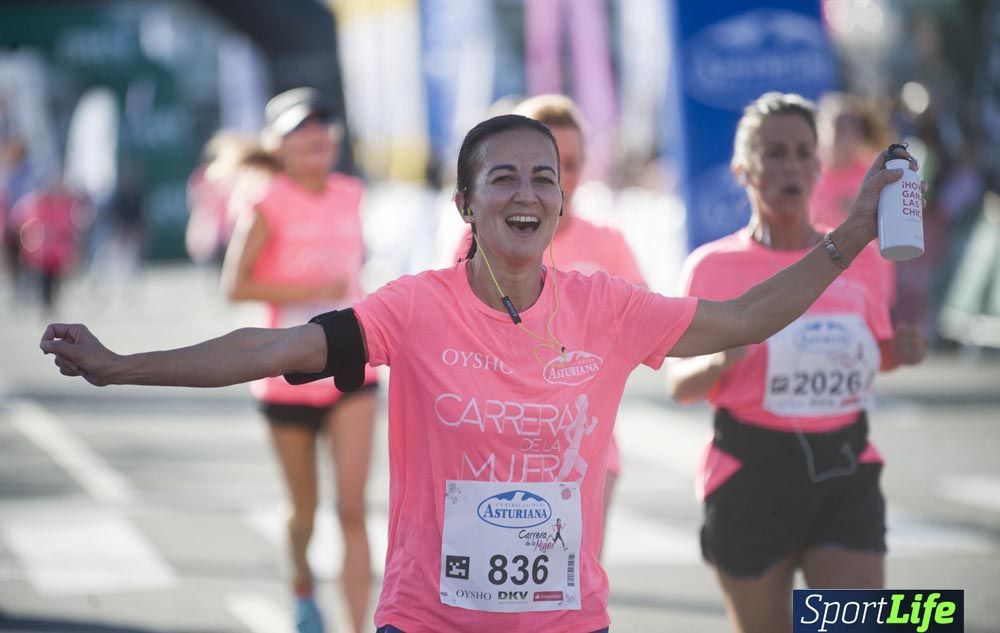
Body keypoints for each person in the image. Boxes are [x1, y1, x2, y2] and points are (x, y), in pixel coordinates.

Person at [40, 112, 919, 633]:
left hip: (566, 619)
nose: (527, 192)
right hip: (431, 615)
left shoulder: (606, 305)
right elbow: (272, 350)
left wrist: (852, 233)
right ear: (465, 203)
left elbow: (749, 317)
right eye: (503, 178)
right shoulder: (414, 308)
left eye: (544, 177)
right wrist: (121, 367)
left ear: (562, 202)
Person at [667, 92, 927, 633]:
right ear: (743, 170)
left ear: (818, 164)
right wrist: (718, 362)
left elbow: (869, 359)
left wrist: (898, 351)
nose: (790, 166)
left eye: (802, 152)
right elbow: (680, 386)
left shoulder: (860, 260)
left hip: (845, 468)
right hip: (750, 474)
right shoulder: (712, 267)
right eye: (774, 153)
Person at [453, 94, 646, 549]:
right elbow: (455, 327)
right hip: (494, 449)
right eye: (553, 165)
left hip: (583, 450)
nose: (566, 180)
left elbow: (645, 326)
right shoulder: (477, 238)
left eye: (571, 166)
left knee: (571, 586)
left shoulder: (608, 242)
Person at [219, 87, 378, 633]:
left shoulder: (352, 194)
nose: (315, 136)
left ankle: (360, 626)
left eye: (322, 126)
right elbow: (235, 286)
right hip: (284, 375)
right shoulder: (266, 202)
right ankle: (303, 589)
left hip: (352, 369)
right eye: (300, 129)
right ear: (278, 145)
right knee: (305, 513)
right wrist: (309, 284)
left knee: (353, 511)